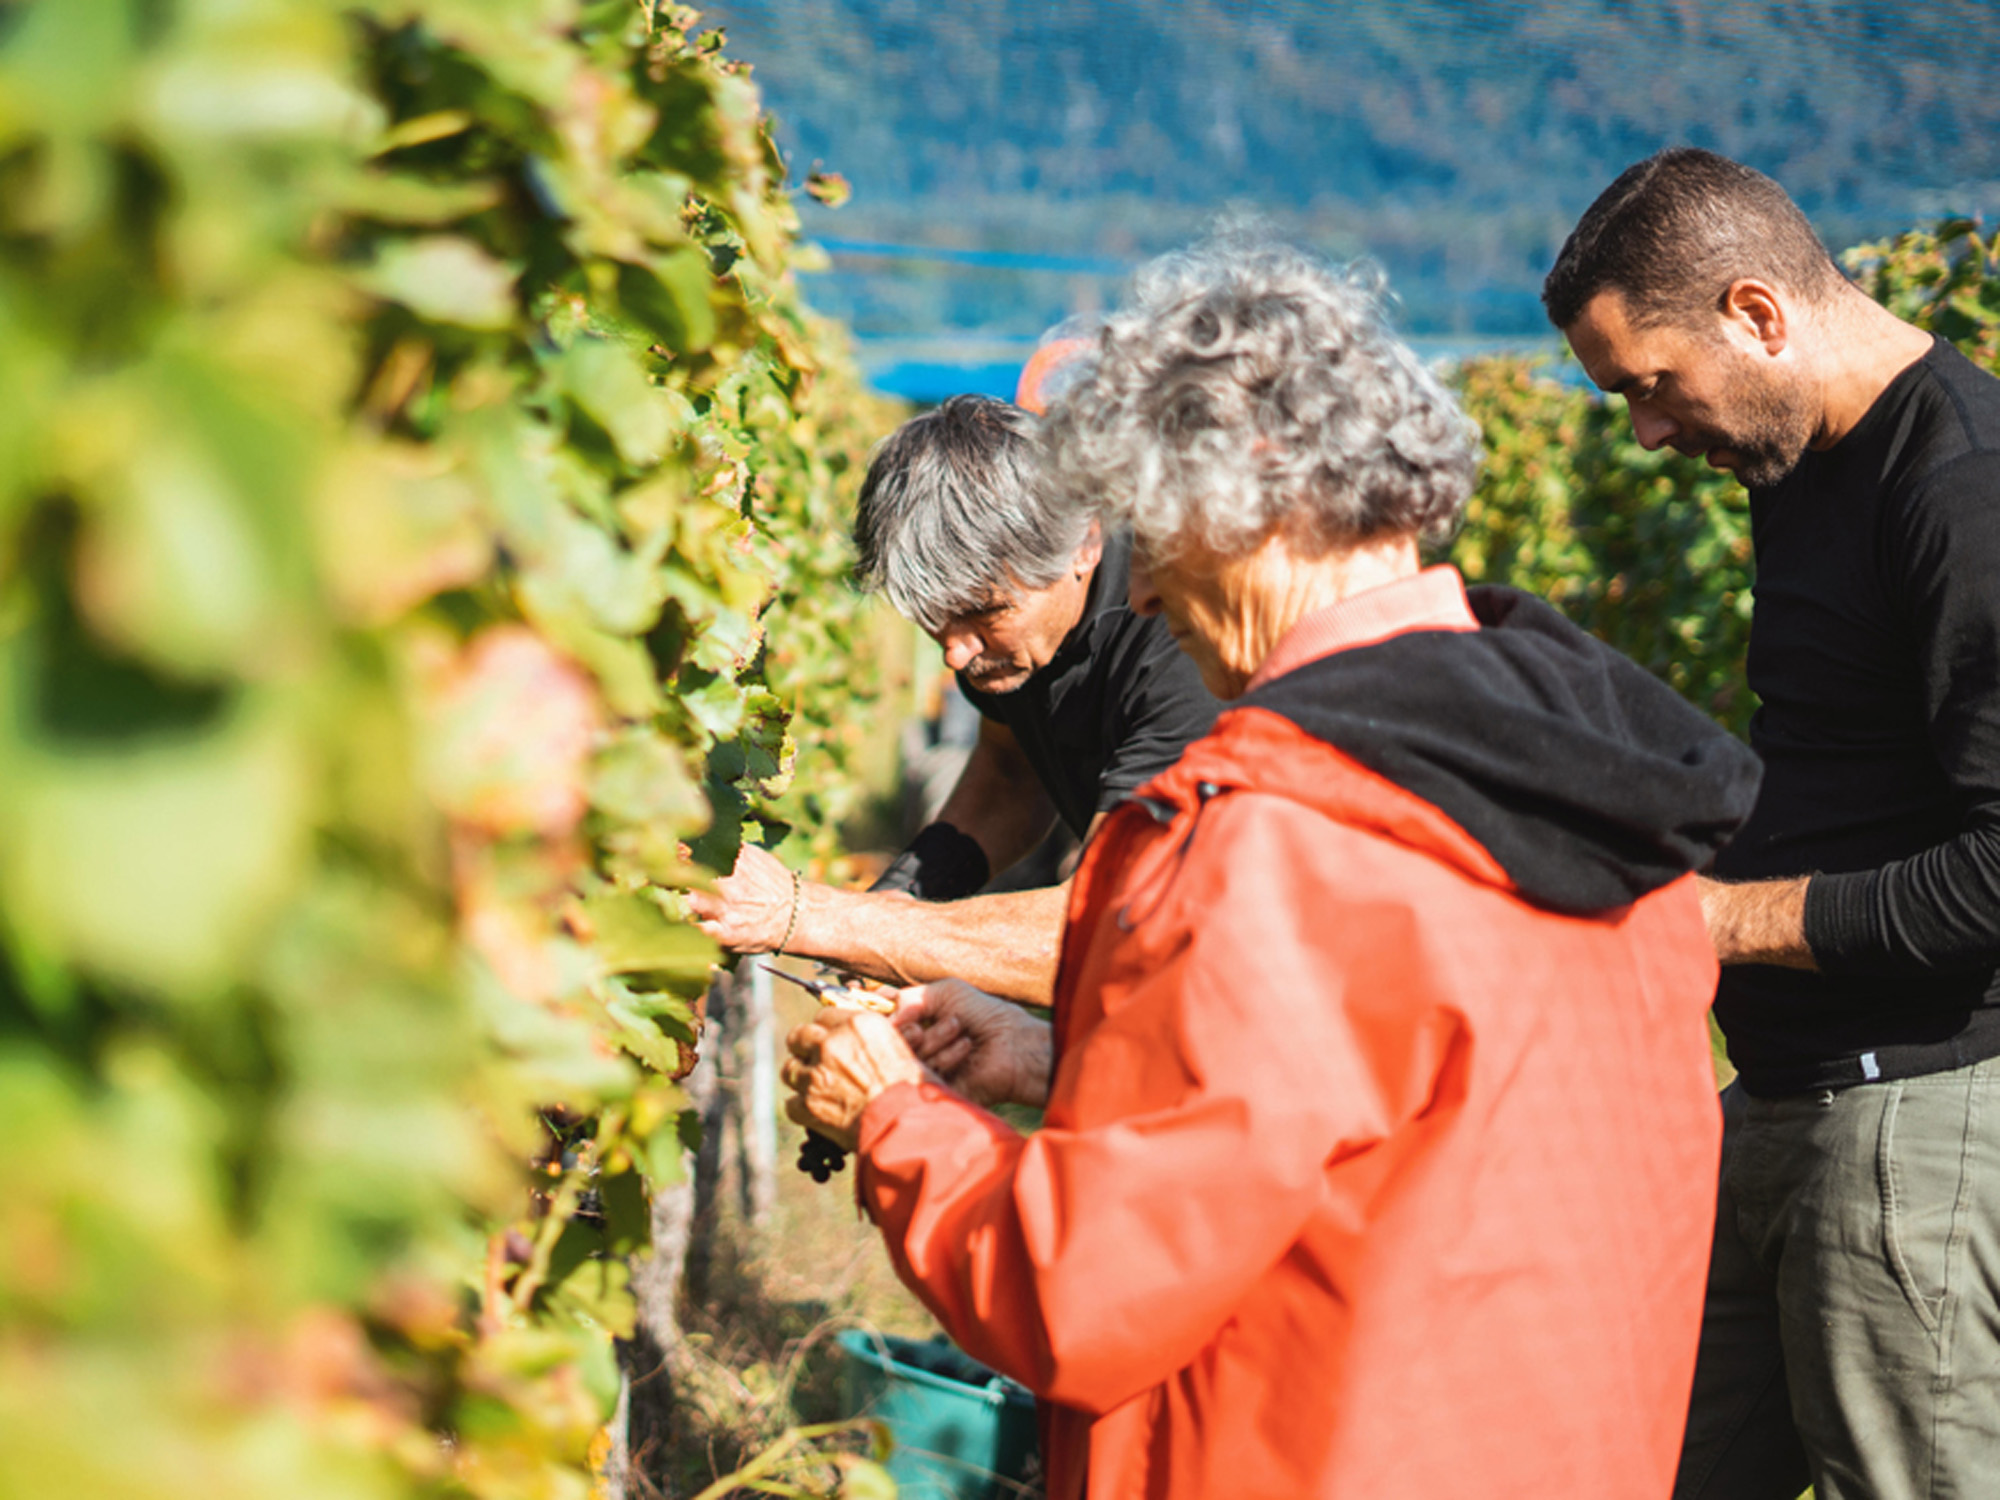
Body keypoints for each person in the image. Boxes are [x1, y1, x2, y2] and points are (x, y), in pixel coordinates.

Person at [782, 239, 1760, 1500]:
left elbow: (1078, 1294)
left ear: (1225, 509)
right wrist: (1056, 1060)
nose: (1145, 597)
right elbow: (1396, 1138)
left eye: (1147, 531)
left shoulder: (1263, 844)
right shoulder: (1586, 790)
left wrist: (892, 1120)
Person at [1545, 146, 2000, 1500]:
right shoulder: (1803, 462)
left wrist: (1717, 922)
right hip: (1785, 1104)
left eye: (1650, 389)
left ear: (1756, 312)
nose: (1644, 433)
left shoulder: (1961, 496)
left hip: (1911, 1123)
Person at [688, 395, 1219, 1004]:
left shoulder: (1181, 647)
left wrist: (812, 917)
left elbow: (1115, 927)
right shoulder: (1012, 639)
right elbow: (1010, 774)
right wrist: (900, 902)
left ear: (1084, 544)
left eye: (983, 614)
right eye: (934, 621)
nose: (956, 655)